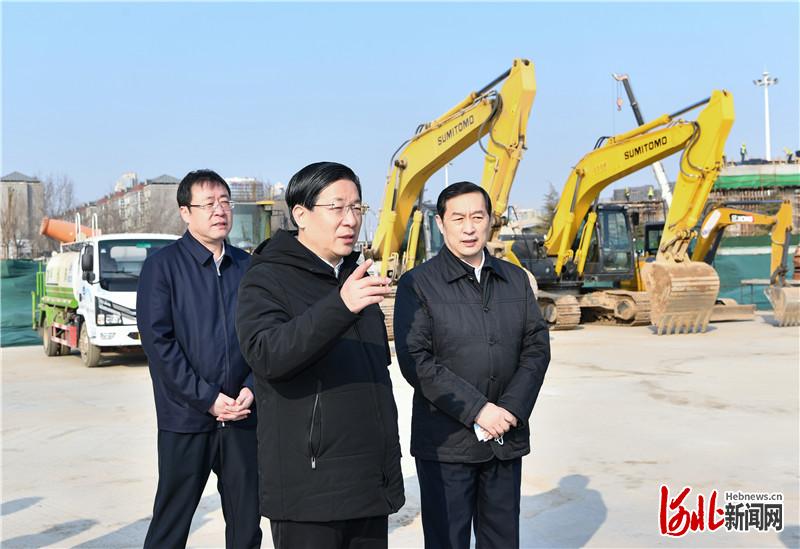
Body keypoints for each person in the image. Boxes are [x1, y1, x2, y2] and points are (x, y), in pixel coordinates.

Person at [236, 161, 405, 549]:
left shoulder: (355, 276)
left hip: (368, 481)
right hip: (309, 489)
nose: (351, 220)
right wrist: (340, 307)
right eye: (337, 208)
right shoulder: (266, 277)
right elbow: (267, 355)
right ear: (301, 215)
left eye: (357, 208)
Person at [394, 181, 550, 549]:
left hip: (504, 437)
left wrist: (510, 410)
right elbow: (417, 360)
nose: (469, 228)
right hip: (446, 444)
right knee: (447, 539)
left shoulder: (514, 279)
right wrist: (479, 410)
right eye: (458, 218)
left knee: (501, 538)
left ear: (490, 220)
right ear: (440, 223)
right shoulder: (419, 284)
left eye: (477, 217)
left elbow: (536, 348)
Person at [137, 169, 262, 549]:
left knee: (246, 522)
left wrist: (252, 388)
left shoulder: (248, 267)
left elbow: (264, 335)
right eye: (208, 204)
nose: (219, 210)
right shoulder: (163, 267)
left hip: (242, 415)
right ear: (185, 212)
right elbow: (159, 344)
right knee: (171, 523)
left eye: (225, 202)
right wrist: (207, 398)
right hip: (186, 418)